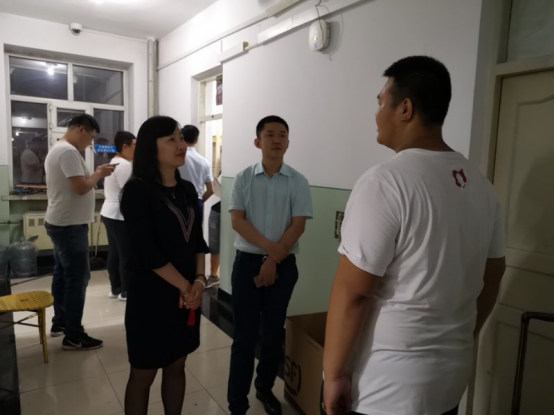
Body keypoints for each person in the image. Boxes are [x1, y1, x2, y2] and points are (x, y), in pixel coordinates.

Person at [323, 56, 506, 416]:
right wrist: (463, 335)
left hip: (386, 387)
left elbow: (353, 293)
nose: (376, 112)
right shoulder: (482, 188)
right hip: (451, 377)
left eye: (381, 101)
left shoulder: (385, 182)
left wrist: (333, 374)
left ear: (405, 109)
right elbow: (494, 273)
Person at [120, 116, 209, 415]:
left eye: (181, 137)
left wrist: (199, 281)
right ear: (151, 147)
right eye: (171, 139)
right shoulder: (137, 191)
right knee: (143, 373)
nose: (180, 144)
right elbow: (147, 251)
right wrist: (186, 286)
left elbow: (197, 240)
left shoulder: (187, 189)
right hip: (151, 296)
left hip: (186, 297)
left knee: (177, 364)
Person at [228, 116, 313, 415]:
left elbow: (298, 225)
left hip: (284, 266)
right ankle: (237, 402)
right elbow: (237, 221)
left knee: (274, 332)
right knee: (244, 336)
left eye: (282, 135)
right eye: (270, 134)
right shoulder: (243, 178)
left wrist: (274, 260)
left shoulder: (298, 181)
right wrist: (270, 253)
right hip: (247, 265)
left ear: (288, 142)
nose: (277, 139)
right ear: (258, 142)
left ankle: (264, 388)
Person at [45, 114, 115, 350]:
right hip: (69, 225)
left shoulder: (60, 149)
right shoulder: (68, 152)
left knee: (62, 274)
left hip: (63, 222)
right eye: (91, 137)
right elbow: (81, 187)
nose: (91, 143)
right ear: (81, 129)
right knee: (77, 278)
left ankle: (60, 322)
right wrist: (99, 174)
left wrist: (95, 173)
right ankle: (74, 335)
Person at [100, 131, 136, 302]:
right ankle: (126, 291)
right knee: (125, 253)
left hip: (109, 213)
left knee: (114, 252)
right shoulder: (124, 165)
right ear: (125, 146)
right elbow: (129, 194)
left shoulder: (114, 161)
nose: (137, 149)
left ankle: (115, 288)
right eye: (135, 145)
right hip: (119, 215)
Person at [178, 125, 214, 214]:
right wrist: (199, 202)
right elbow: (211, 190)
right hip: (197, 201)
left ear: (181, 139)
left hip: (178, 201)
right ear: (196, 141)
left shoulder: (176, 159)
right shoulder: (205, 162)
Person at [207, 175, 222, 289]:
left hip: (223, 211)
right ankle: (213, 275)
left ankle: (213, 276)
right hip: (216, 210)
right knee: (214, 247)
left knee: (217, 247)